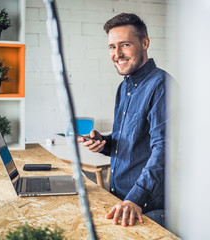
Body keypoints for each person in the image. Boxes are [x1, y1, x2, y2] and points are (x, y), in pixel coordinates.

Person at [79, 13, 172, 228]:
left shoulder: (161, 85)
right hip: (121, 199)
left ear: (145, 42)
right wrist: (104, 143)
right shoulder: (125, 86)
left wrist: (135, 199)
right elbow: (134, 141)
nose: (117, 54)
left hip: (144, 207)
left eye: (125, 45)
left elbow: (164, 149)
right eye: (112, 47)